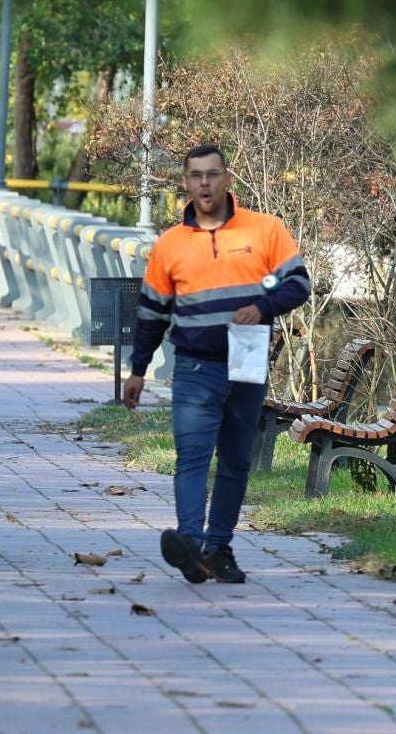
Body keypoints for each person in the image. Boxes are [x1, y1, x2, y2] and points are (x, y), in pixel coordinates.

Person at [122, 145, 311, 585]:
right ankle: (190, 543)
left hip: (246, 363)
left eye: (212, 174)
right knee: (191, 456)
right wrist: (137, 370)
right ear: (185, 183)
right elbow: (152, 313)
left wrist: (263, 307)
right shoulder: (170, 244)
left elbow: (299, 284)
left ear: (228, 179)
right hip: (194, 367)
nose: (204, 183)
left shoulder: (265, 229)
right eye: (195, 176)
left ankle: (218, 548)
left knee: (235, 460)